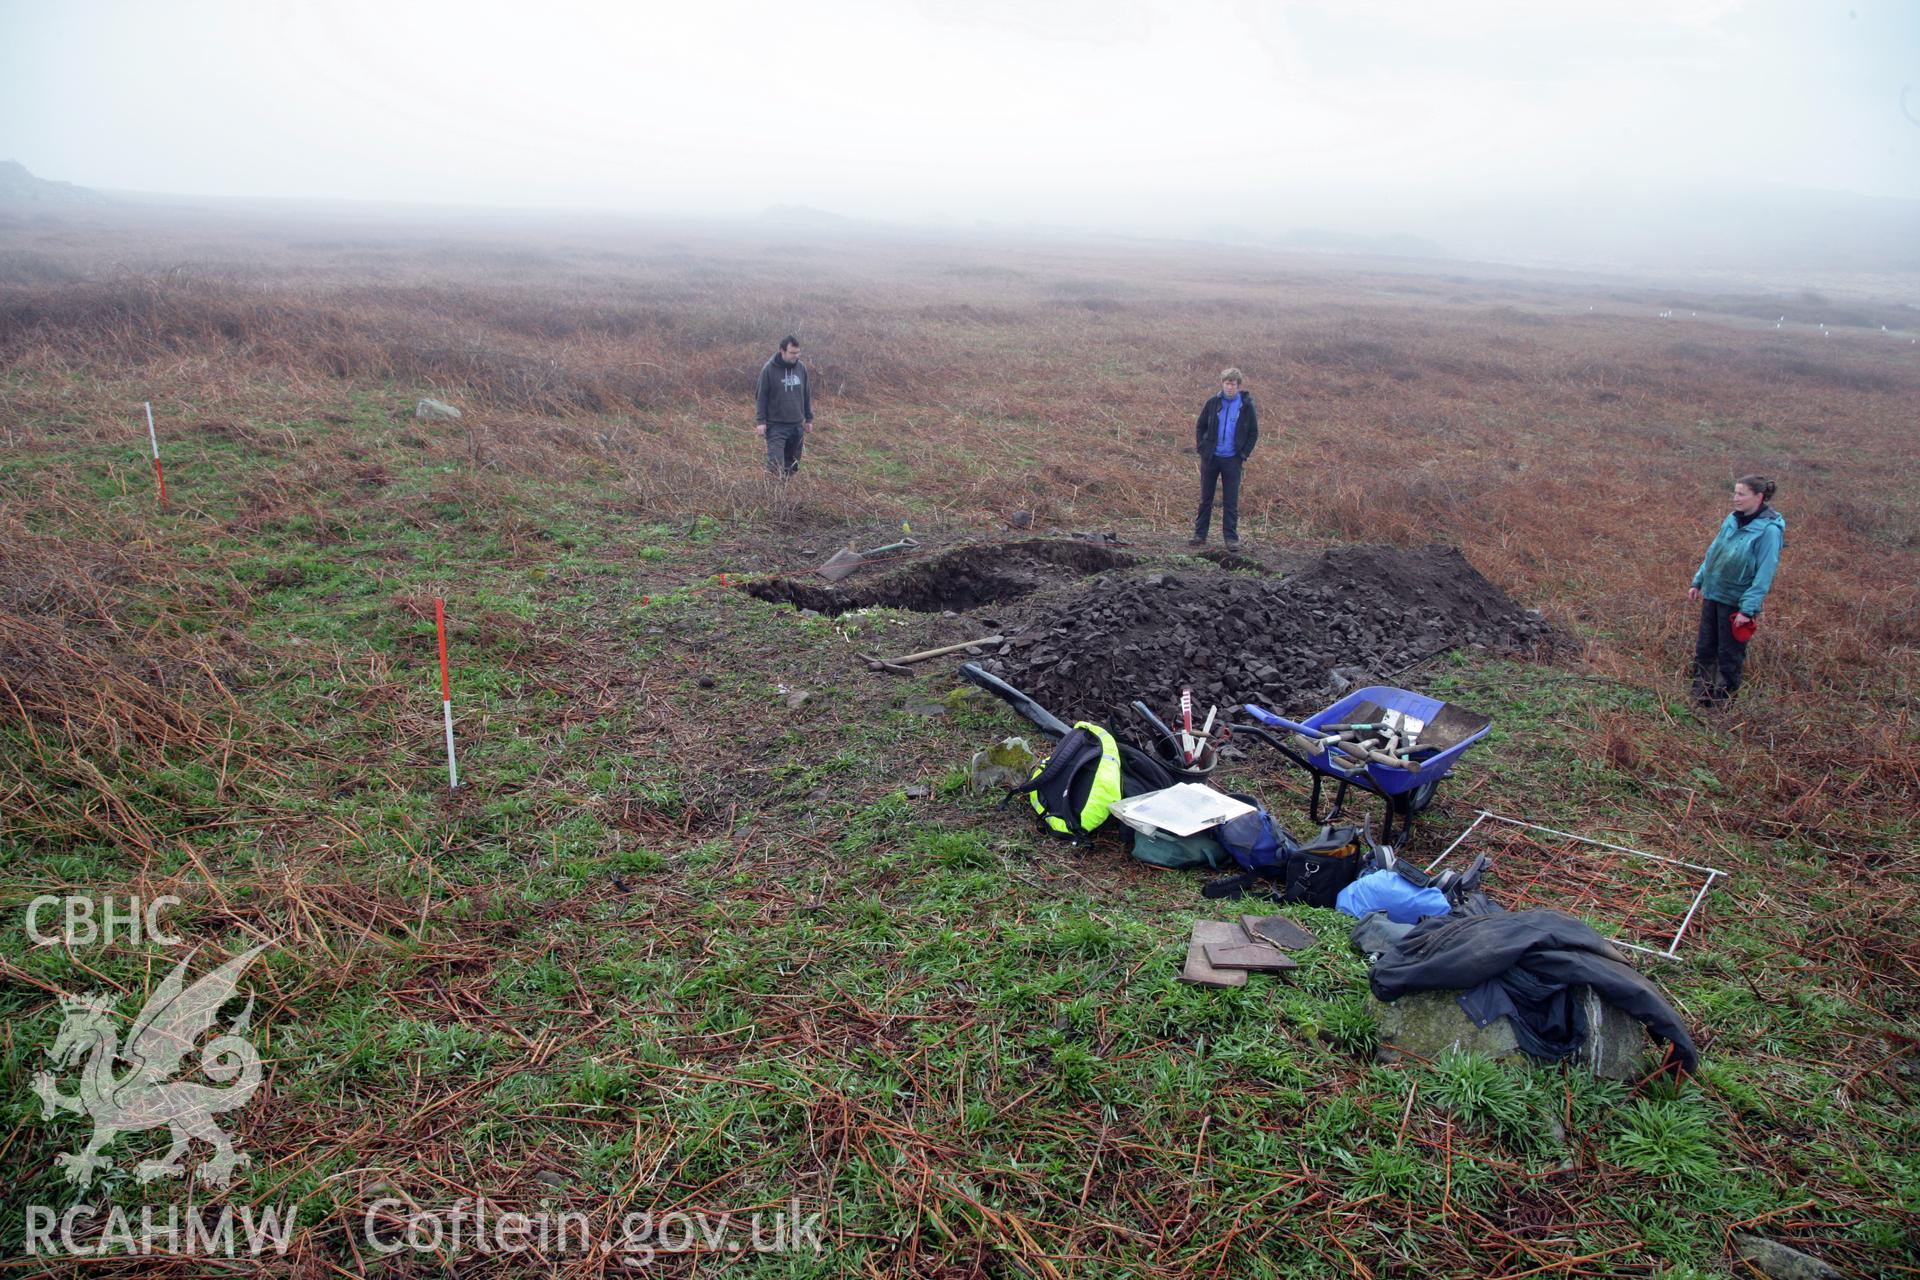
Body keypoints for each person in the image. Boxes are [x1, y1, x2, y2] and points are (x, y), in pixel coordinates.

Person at [1688, 474, 1785, 707]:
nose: (1736, 498)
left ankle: (1721, 705)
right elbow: (1714, 552)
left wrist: (1748, 609)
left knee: (1729, 656)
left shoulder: (1770, 530)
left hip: (1736, 603)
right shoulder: (1731, 519)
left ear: (1758, 497)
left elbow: (1765, 573)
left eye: (1741, 494)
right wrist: (1698, 581)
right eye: (1735, 493)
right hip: (1713, 593)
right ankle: (1700, 699)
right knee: (1705, 649)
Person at [1189, 367, 1258, 547]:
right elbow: (1200, 425)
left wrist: (1242, 454)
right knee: (1205, 498)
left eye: (1233, 384)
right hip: (1210, 458)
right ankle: (1200, 535)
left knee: (1230, 500)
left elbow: (1253, 432)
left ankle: (1230, 538)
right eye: (1227, 383)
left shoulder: (1246, 406)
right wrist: (1202, 447)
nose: (1229, 387)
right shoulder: (1212, 403)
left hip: (1233, 460)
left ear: (1238, 385)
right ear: (1222, 383)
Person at [755, 336, 813, 478]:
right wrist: (761, 422)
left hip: (797, 425)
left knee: (792, 465)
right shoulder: (769, 369)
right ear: (782, 351)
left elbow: (806, 394)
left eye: (798, 353)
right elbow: (761, 396)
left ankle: (785, 495)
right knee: (775, 465)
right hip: (776, 426)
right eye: (792, 353)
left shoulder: (801, 368)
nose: (796, 356)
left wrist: (809, 419)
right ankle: (771, 496)